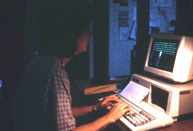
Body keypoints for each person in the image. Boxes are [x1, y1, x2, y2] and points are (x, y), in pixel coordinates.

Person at [12, 0, 130, 131]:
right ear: (70, 34)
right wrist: (109, 117)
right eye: (85, 29)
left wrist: (95, 107)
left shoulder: (42, 60)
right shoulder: (55, 73)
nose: (90, 34)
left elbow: (59, 114)